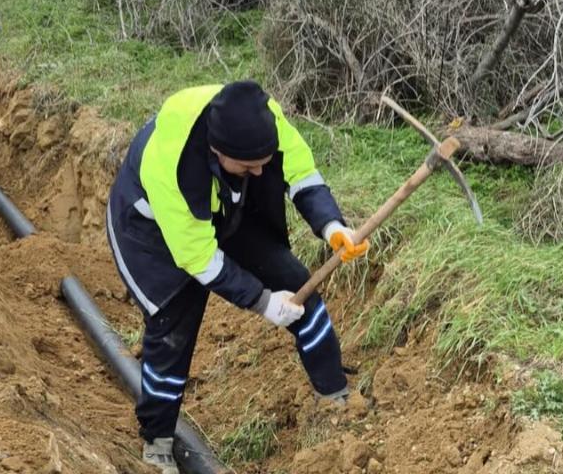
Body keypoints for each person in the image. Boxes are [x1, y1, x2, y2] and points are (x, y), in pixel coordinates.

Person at [106, 81, 368, 474]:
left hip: (224, 203)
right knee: (173, 324)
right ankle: (157, 439)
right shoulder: (173, 165)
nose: (261, 171)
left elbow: (301, 175)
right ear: (217, 151)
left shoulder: (265, 120)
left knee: (298, 286)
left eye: (262, 162)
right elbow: (200, 260)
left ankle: (334, 395)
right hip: (152, 231)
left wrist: (332, 227)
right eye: (250, 166)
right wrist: (263, 302)